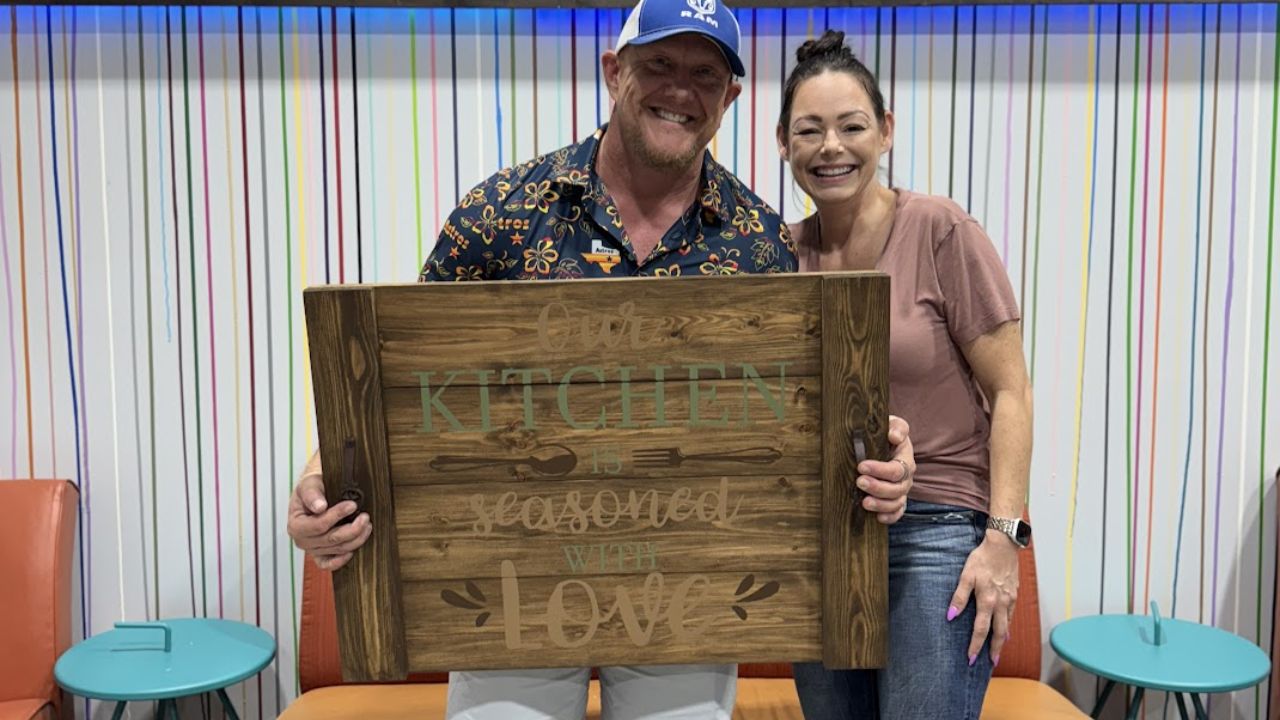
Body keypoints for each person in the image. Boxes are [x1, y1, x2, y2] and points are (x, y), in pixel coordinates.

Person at [288, 6, 917, 719]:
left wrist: (877, 451)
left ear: (729, 100)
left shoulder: (757, 240)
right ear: (615, 72)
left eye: (705, 74)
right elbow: (405, 383)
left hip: (687, 594)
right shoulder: (502, 212)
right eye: (659, 66)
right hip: (507, 586)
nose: (680, 90)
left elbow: (797, 413)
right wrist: (321, 480)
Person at [776, 30, 1034, 720]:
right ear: (783, 144)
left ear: (885, 132)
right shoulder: (779, 254)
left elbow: (1012, 390)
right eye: (809, 130)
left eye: (851, 126)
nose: (831, 146)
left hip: (939, 531)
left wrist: (1003, 541)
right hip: (824, 534)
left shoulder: (940, 230)